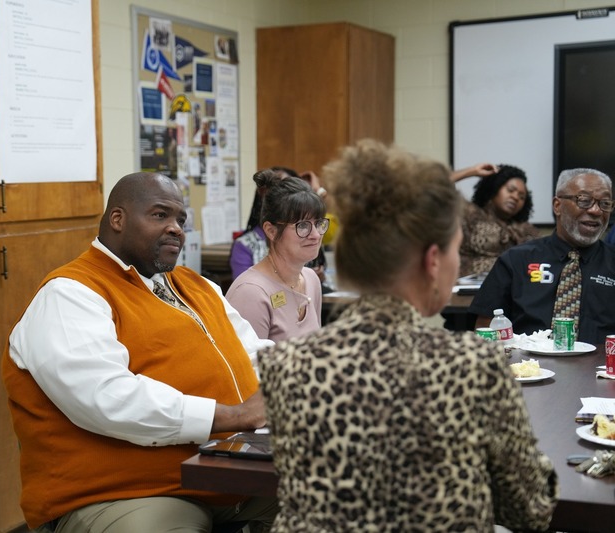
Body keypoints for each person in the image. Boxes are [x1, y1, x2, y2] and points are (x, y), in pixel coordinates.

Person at [257, 139, 558, 532]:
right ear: (433, 261)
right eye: (454, 249)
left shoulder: (285, 366)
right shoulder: (473, 365)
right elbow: (529, 510)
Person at [2, 172, 278, 532]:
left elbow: (256, 355)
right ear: (118, 219)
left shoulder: (199, 287)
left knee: (347, 496)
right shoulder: (71, 293)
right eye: (160, 215)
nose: (176, 228)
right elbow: (108, 398)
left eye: (181, 219)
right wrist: (231, 416)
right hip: (125, 491)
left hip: (227, 473)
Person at [470, 167, 615, 344]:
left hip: (599, 369)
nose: (596, 210)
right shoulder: (516, 260)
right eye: (584, 200)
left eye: (605, 203)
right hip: (528, 367)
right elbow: (485, 329)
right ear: (557, 205)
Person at [225, 169, 327, 341]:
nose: (316, 234)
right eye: (302, 226)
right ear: (271, 231)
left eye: (318, 223)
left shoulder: (311, 279)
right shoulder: (250, 293)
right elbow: (247, 367)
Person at [451, 162, 540, 277]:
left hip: (511, 291)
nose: (515, 197)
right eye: (510, 190)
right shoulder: (469, 213)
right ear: (494, 188)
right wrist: (471, 171)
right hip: (467, 289)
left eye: (522, 197)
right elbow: (430, 187)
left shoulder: (525, 229)